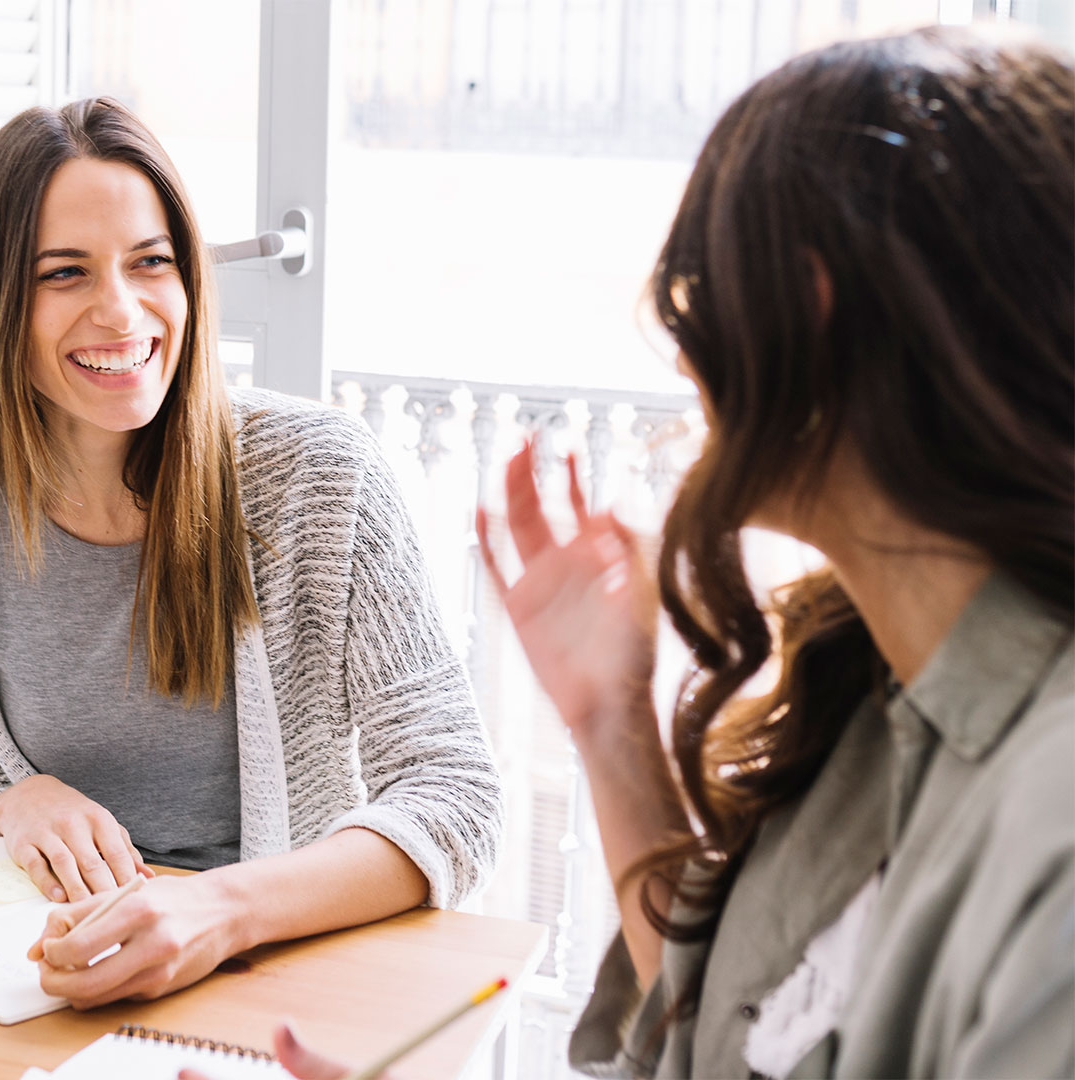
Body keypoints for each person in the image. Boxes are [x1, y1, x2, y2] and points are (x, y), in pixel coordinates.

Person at [198, 24, 1074, 1080]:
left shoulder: (1048, 821)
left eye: (704, 291)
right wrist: (610, 722)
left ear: (810, 305)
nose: (684, 356)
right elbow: (719, 1042)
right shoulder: (876, 696)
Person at [0, 96, 502, 1007]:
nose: (121, 313)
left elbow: (457, 794)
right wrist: (7, 805)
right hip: (50, 985)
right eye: (64, 273)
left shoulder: (316, 478)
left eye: (150, 262)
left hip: (275, 977)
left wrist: (219, 912)